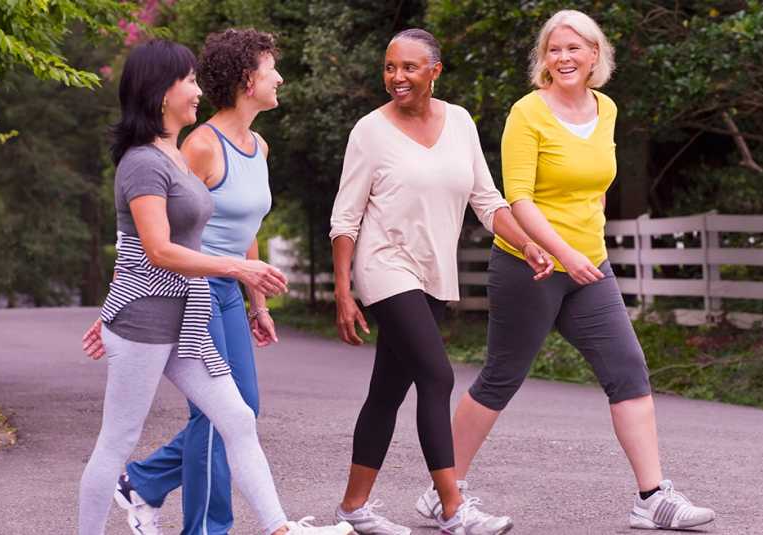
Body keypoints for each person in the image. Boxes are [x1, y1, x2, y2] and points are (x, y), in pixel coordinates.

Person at [413, 10, 716, 531]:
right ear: (543, 59)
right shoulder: (527, 113)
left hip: (588, 267)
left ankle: (652, 497)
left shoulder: (608, 109)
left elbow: (595, 183)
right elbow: (520, 200)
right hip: (529, 267)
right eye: (554, 50)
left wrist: (586, 245)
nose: (565, 58)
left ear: (596, 54)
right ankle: (446, 491)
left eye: (575, 48)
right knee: (501, 377)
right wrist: (561, 253)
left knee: (627, 369)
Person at [77, 38, 351, 535]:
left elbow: (159, 242)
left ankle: (279, 528)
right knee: (117, 441)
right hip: (144, 326)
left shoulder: (173, 158)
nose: (199, 90)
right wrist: (238, 271)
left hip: (186, 321)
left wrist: (249, 292)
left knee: (238, 419)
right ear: (162, 92)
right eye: (189, 81)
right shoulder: (143, 162)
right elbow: (154, 249)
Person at [329, 29, 553, 535]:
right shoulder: (369, 131)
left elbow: (487, 200)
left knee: (387, 390)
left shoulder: (460, 122)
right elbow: (345, 219)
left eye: (408, 67)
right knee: (437, 375)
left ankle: (353, 507)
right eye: (389, 67)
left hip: (433, 271)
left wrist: (529, 243)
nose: (396, 77)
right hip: (384, 264)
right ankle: (453, 507)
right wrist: (344, 291)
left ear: (435, 70)